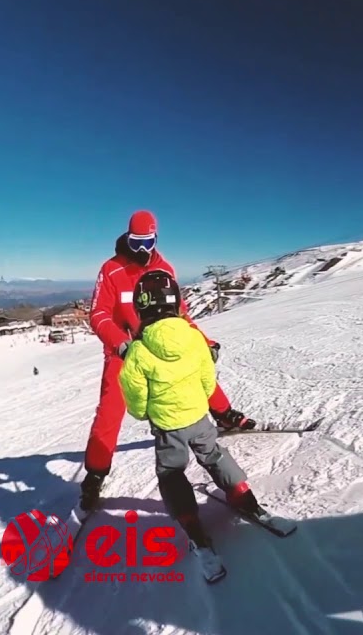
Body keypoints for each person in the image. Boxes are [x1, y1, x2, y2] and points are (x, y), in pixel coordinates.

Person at [79, 210, 255, 514]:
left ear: (156, 238)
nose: (142, 250)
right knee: (110, 411)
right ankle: (95, 474)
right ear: (127, 238)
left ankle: (223, 413)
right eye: (136, 242)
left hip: (163, 340)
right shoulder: (112, 269)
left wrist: (203, 341)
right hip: (126, 350)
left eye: (148, 242)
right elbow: (99, 314)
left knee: (196, 369)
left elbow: (181, 315)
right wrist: (121, 345)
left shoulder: (164, 267)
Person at [119, 269, 268, 578]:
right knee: (214, 454)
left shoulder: (139, 348)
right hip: (199, 415)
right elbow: (206, 378)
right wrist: (201, 401)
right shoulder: (194, 336)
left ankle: (191, 524)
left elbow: (133, 391)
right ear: (176, 303)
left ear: (141, 307)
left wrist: (143, 412)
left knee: (172, 473)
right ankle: (243, 495)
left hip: (167, 425)